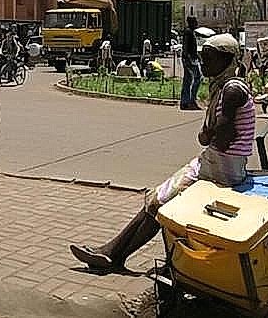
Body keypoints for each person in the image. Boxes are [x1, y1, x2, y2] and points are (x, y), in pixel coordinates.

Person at [70, 34, 254, 272]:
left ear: (227, 59)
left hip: (222, 169)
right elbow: (213, 134)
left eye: (209, 59)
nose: (204, 63)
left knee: (161, 203)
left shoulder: (232, 90)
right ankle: (112, 252)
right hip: (213, 162)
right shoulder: (225, 87)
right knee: (156, 199)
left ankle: (114, 255)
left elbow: (222, 138)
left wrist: (208, 134)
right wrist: (208, 134)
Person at [180, 16, 202, 110]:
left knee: (188, 80)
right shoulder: (188, 32)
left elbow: (193, 48)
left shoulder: (191, 32)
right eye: (195, 22)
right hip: (189, 60)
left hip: (191, 58)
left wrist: (198, 57)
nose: (197, 23)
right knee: (198, 77)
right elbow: (185, 47)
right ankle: (191, 100)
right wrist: (188, 58)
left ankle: (185, 102)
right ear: (191, 22)